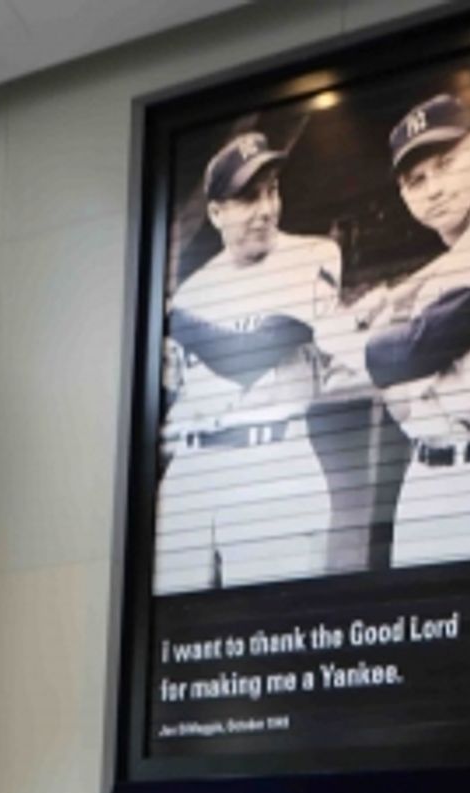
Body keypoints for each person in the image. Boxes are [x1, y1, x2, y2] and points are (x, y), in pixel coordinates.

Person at [154, 131, 343, 592]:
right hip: (191, 471)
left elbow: (247, 360)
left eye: (271, 191)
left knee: (265, 619)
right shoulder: (194, 290)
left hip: (270, 464)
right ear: (216, 213)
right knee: (177, 623)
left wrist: (169, 317)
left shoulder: (313, 255)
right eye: (247, 197)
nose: (266, 209)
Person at [362, 93, 470, 567]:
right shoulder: (453, 258)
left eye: (445, 164)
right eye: (416, 180)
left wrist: (361, 342)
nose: (434, 189)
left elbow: (404, 355)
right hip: (429, 474)